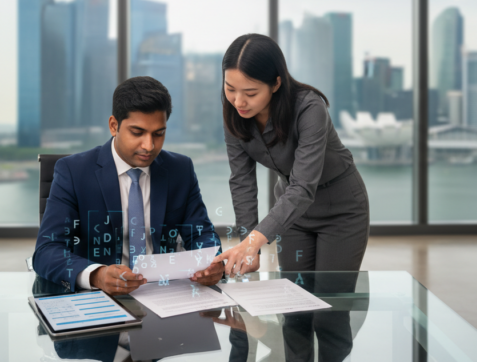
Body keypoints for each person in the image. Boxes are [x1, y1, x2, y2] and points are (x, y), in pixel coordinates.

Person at [33, 76, 224, 294]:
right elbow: (47, 251)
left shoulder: (181, 169)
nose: (149, 146)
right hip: (99, 300)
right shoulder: (73, 172)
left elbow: (201, 233)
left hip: (165, 294)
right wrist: (97, 275)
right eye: (137, 132)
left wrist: (212, 262)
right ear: (114, 126)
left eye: (159, 134)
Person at [212, 33, 369, 277]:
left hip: (341, 210)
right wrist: (249, 247)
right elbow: (242, 182)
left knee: (331, 303)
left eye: (251, 93)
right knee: (294, 301)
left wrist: (252, 243)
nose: (238, 101)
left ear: (276, 84)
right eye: (230, 88)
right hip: (290, 213)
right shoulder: (234, 113)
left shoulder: (309, 108)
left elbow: (303, 186)